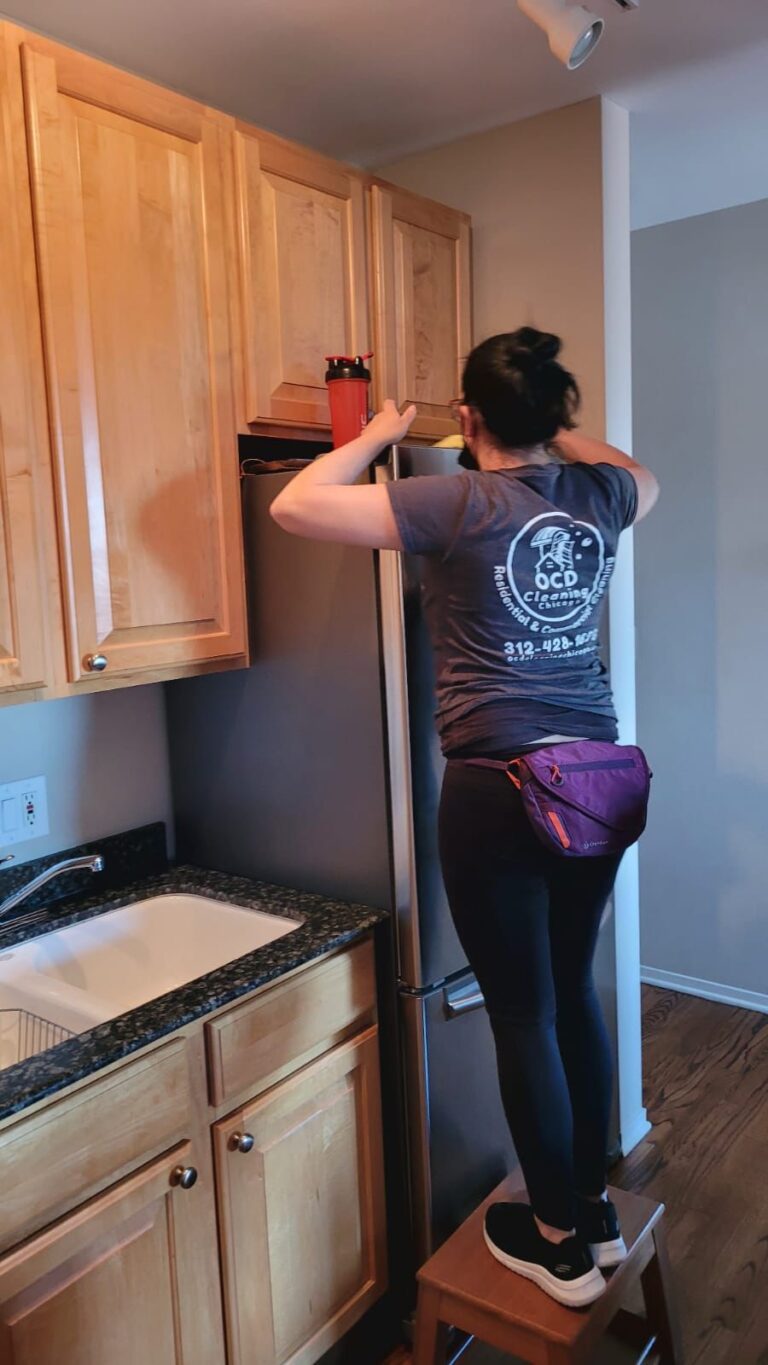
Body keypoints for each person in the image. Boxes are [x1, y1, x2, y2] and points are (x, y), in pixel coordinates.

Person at [270, 327, 659, 1309]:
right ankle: (595, 1210)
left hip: (499, 786)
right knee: (573, 994)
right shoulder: (601, 495)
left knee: (523, 1011)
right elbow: (638, 470)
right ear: (556, 419)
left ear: (472, 419)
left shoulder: (457, 498)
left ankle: (561, 1243)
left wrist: (388, 429)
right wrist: (560, 437)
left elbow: (291, 504)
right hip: (597, 780)